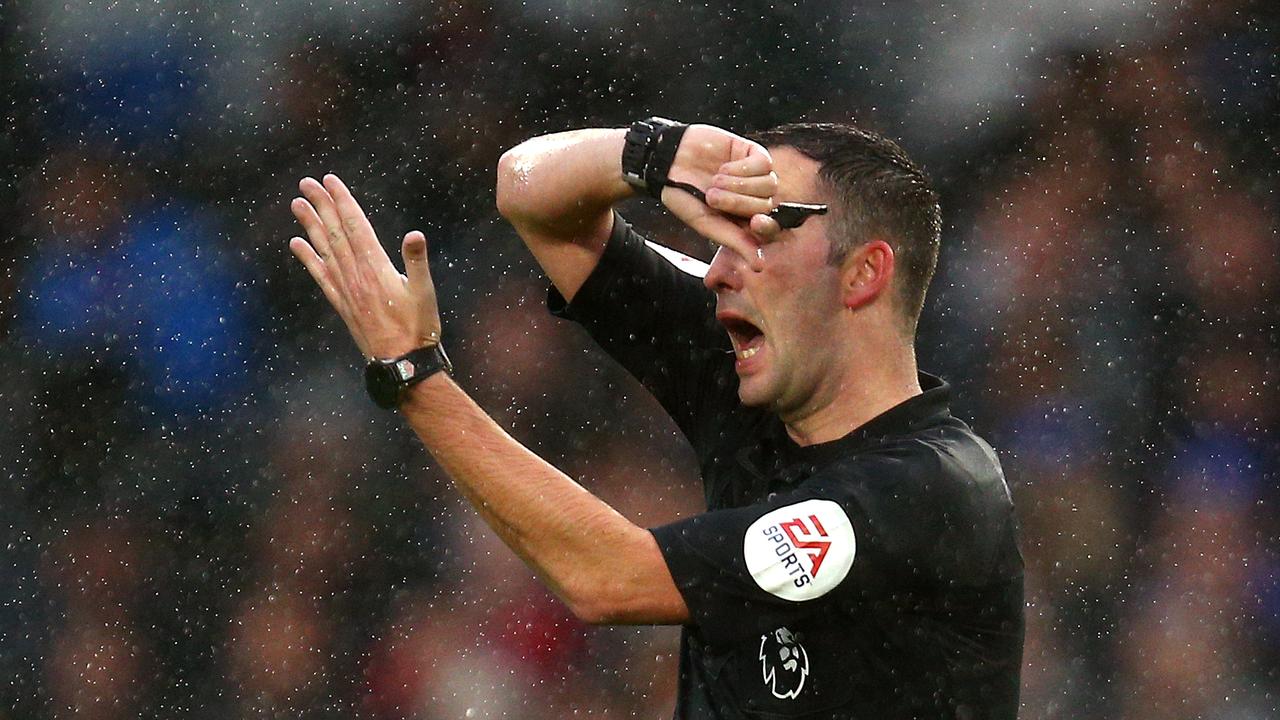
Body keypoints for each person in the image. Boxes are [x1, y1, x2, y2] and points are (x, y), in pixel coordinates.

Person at [287, 118, 1024, 719]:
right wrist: (654, 153)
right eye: (722, 228)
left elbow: (607, 578)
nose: (718, 266)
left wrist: (415, 375)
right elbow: (526, 192)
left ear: (864, 273)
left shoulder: (929, 490)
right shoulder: (754, 372)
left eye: (761, 230)